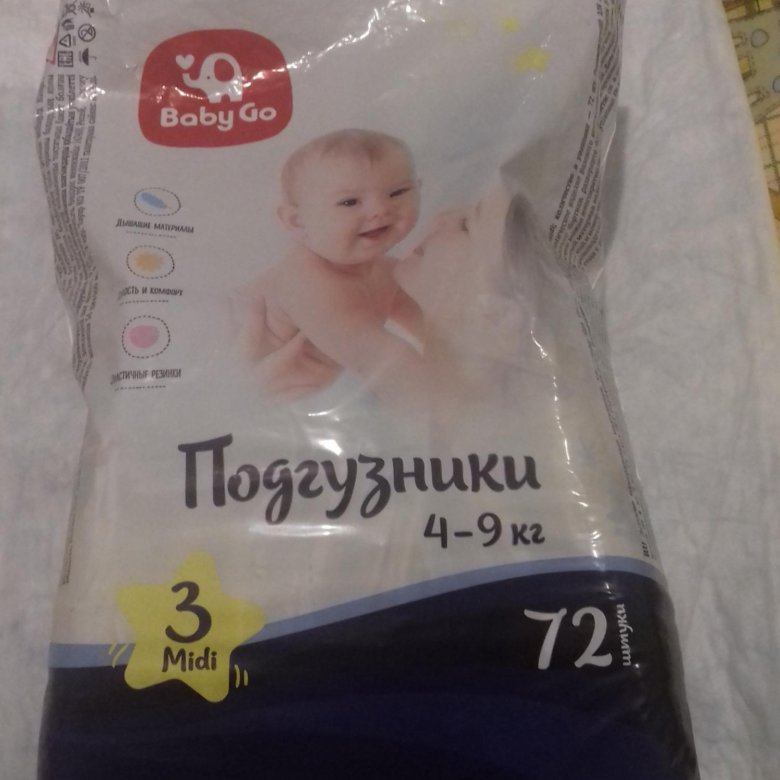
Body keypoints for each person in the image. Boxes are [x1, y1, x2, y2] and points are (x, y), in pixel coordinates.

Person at [241, 129, 424, 401]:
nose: (380, 210)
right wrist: (451, 394)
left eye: (397, 192)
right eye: (349, 202)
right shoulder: (308, 280)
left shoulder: (386, 271)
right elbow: (373, 355)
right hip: (248, 380)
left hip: (309, 391)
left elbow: (436, 325)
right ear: (297, 221)